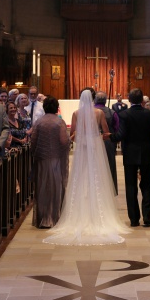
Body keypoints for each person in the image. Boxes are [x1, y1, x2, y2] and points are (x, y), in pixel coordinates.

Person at [43, 89, 129, 245]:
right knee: (97, 174)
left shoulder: (76, 113)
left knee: (81, 175)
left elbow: (74, 133)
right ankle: (99, 210)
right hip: (96, 145)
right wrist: (97, 137)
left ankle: (80, 209)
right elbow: (106, 131)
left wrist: (81, 140)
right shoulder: (99, 113)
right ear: (94, 99)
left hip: (82, 146)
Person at [113, 88, 150, 228]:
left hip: (130, 154)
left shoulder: (124, 114)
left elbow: (121, 135)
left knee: (131, 185)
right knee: (146, 184)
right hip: (146, 153)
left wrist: (110, 137)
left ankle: (134, 218)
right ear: (142, 101)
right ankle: (147, 216)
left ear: (129, 100)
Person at [31, 96, 70, 228]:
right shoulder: (59, 122)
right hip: (56, 160)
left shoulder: (38, 121)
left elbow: (33, 141)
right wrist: (70, 140)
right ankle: (54, 217)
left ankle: (43, 218)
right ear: (56, 107)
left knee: (42, 188)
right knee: (55, 188)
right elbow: (64, 141)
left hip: (42, 159)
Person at [94, 90, 119, 193]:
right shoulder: (112, 113)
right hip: (108, 142)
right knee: (110, 166)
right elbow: (117, 129)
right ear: (105, 100)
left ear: (95, 100)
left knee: (93, 166)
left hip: (93, 142)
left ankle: (95, 189)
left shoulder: (88, 112)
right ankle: (110, 190)